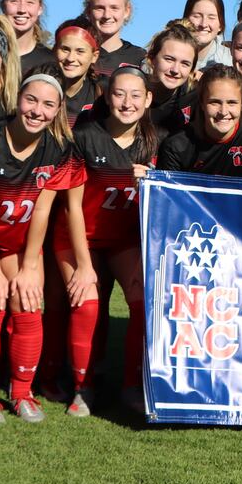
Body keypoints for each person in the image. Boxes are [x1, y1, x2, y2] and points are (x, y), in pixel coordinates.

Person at [0, 74, 85, 424]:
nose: (37, 111)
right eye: (31, 100)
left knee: (28, 303)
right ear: (18, 99)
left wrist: (29, 267)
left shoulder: (60, 147)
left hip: (19, 243)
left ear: (57, 111)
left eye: (47, 104)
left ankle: (22, 391)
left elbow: (42, 209)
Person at [58, 66, 157, 416]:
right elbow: (71, 206)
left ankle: (132, 384)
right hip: (80, 236)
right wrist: (84, 265)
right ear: (106, 96)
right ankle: (83, 388)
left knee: (142, 298)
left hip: (124, 238)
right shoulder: (85, 136)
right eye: (119, 93)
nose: (127, 102)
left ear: (148, 99)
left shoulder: (153, 141)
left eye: (135, 95)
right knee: (86, 301)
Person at [157, 65, 242, 178]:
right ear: (202, 103)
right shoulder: (175, 146)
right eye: (215, 102)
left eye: (232, 102)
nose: (223, 111)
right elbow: (167, 196)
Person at [82, 0, 148, 79]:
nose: (107, 15)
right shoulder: (78, 53)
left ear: (127, 11)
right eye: (100, 8)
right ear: (88, 11)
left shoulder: (140, 57)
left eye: (114, 8)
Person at [145, 20, 199, 136]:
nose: (175, 70)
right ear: (152, 58)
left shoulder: (195, 101)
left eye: (185, 64)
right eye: (169, 59)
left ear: (192, 69)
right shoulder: (133, 92)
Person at [0, 0, 57, 77]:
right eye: (14, 1)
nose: (22, 9)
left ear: (40, 8)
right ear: (3, 6)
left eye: (30, 2)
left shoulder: (50, 61)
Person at [51, 20, 102, 128]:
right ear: (55, 50)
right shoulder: (38, 89)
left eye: (80, 51)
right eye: (65, 49)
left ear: (94, 56)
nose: (70, 58)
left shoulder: (101, 94)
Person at [183, 0, 232, 71]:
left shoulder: (230, 62)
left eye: (211, 17)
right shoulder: (168, 54)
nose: (203, 24)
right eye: (197, 16)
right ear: (185, 19)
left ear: (220, 25)